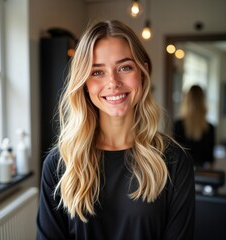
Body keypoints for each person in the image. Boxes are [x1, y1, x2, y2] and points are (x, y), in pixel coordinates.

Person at [37, 20, 195, 240]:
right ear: (84, 83)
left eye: (124, 67)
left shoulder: (174, 162)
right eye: (97, 72)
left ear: (143, 71)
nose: (113, 82)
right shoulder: (59, 163)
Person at [173, 85, 215, 169]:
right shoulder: (210, 128)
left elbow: (175, 155)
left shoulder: (178, 124)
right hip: (202, 175)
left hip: (182, 172)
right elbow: (210, 160)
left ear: (187, 101)